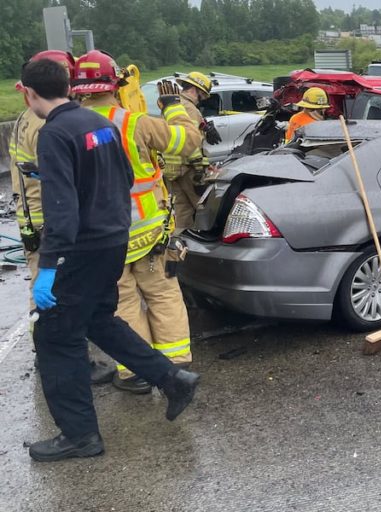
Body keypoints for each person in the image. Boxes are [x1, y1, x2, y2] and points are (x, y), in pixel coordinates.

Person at [20, 58, 199, 462]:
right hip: (114, 240)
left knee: (56, 338)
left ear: (28, 93)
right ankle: (172, 377)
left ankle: (79, 435)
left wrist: (47, 269)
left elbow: (62, 211)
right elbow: (119, 178)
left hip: (79, 249)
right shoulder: (97, 123)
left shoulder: (54, 134)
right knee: (99, 319)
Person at [72, 50, 202, 394]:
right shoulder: (134, 123)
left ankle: (135, 372)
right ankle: (175, 369)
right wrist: (174, 107)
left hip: (102, 239)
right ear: (115, 83)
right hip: (148, 234)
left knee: (122, 303)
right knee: (162, 294)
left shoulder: (69, 127)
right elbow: (187, 143)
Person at [10, 51, 117, 385]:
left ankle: (50, 351)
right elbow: (65, 183)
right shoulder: (50, 124)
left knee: (43, 289)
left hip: (33, 214)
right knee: (56, 295)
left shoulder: (25, 117)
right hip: (54, 222)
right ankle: (64, 358)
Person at [163, 71, 218, 233]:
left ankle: (181, 243)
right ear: (195, 90)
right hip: (188, 168)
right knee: (204, 206)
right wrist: (202, 168)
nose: (203, 99)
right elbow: (191, 142)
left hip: (172, 169)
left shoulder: (173, 105)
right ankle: (206, 243)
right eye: (203, 95)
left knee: (182, 210)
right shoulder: (190, 109)